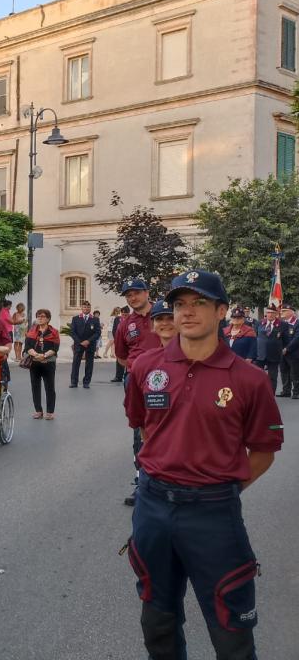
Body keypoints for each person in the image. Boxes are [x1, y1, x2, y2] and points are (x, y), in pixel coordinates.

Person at [124, 269, 283, 660]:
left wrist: (219, 488)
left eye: (199, 304)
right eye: (180, 305)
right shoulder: (146, 367)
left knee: (231, 628)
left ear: (222, 311)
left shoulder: (250, 380)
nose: (187, 313)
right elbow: (143, 424)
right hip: (153, 508)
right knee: (157, 621)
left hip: (214, 513)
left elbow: (263, 450)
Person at [115, 279, 160, 507]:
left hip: (167, 379)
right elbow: (122, 356)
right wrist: (138, 369)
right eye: (128, 295)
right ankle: (142, 481)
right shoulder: (125, 324)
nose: (132, 298)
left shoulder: (163, 315)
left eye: (136, 293)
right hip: (135, 380)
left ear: (147, 293)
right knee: (139, 431)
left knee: (170, 426)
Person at [24, 309, 59, 420]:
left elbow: (54, 348)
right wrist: (36, 355)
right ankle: (38, 411)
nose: (40, 318)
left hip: (48, 363)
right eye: (38, 316)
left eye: (43, 316)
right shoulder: (31, 331)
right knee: (35, 387)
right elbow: (27, 347)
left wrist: (43, 356)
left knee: (50, 388)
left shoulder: (54, 332)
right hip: (34, 364)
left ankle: (50, 412)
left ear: (48, 318)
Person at [69, 300, 101, 389]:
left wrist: (88, 341)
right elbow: (72, 332)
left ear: (90, 308)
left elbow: (97, 333)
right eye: (84, 307)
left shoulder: (95, 319)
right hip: (79, 344)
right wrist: (80, 342)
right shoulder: (75, 318)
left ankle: (86, 382)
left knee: (89, 364)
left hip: (90, 344)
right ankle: (74, 382)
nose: (86, 308)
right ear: (82, 308)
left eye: (88, 307)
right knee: (76, 363)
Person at [254, 305, 283, 393]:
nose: (270, 315)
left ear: (276, 314)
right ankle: (258, 394)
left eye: (272, 313)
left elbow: (286, 339)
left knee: (272, 377)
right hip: (260, 354)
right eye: (268, 312)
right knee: (257, 376)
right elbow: (254, 337)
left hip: (274, 354)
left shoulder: (282, 324)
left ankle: (271, 395)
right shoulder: (259, 323)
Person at [282, 304, 299, 399]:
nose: (282, 312)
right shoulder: (282, 323)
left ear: (291, 312)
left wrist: (287, 349)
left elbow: (297, 338)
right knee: (284, 372)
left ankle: (296, 392)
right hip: (282, 353)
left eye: (284, 311)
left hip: (293, 353)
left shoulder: (297, 323)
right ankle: (286, 391)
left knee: (295, 373)